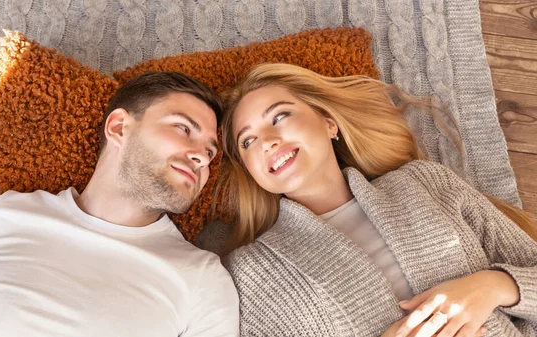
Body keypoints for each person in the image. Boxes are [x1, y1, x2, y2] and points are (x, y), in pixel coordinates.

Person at [217, 63, 537, 337]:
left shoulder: (424, 182)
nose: (268, 142)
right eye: (248, 141)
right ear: (251, 171)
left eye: (279, 116)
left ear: (329, 123)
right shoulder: (252, 272)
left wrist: (493, 286)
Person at [0, 72, 239, 336]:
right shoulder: (5, 216)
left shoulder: (202, 279)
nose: (202, 157)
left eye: (210, 152)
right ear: (119, 127)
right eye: (183, 129)